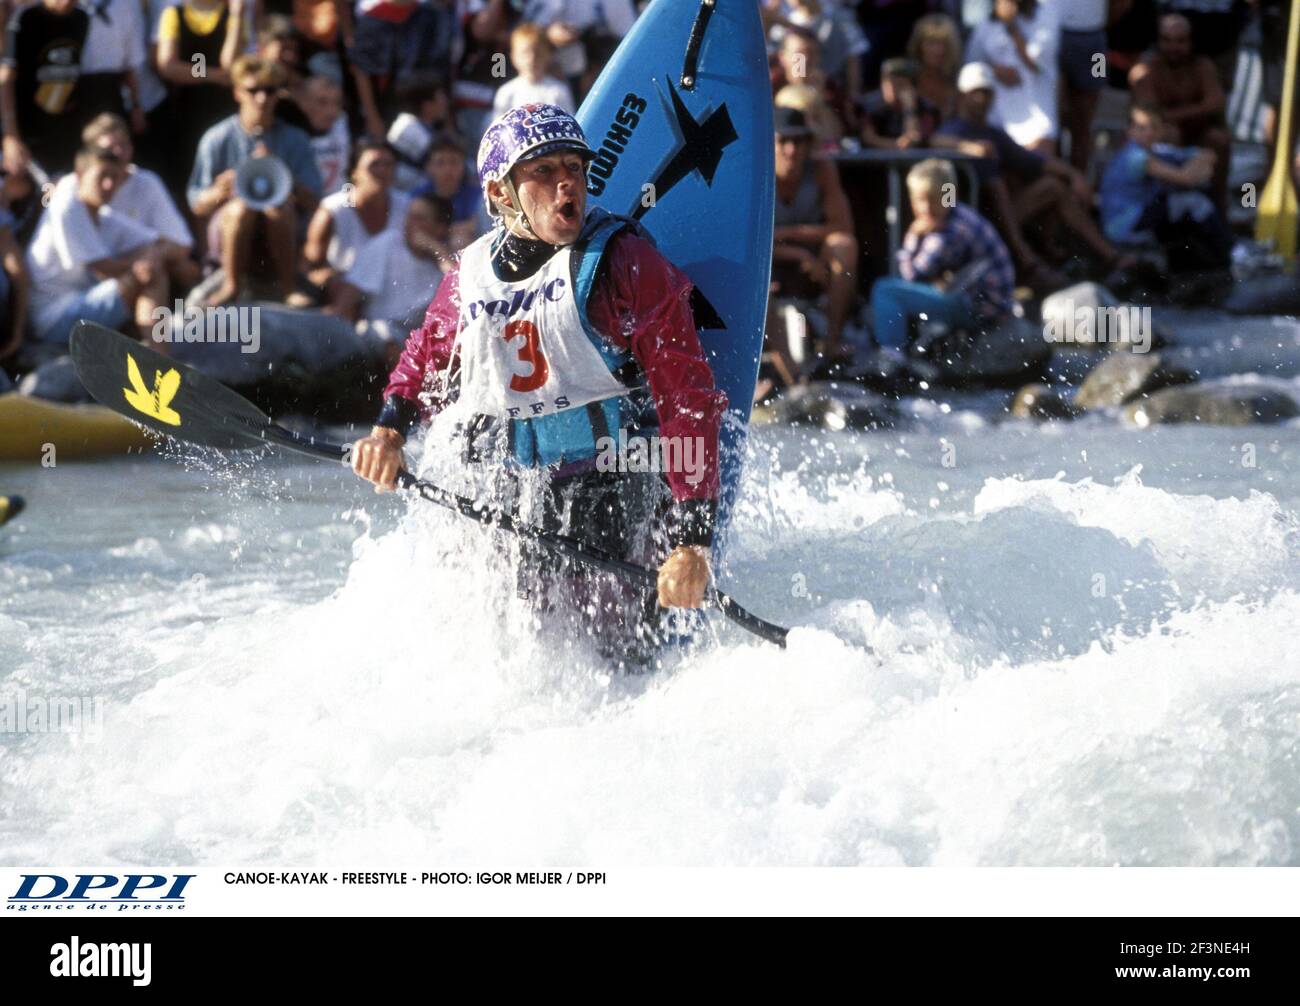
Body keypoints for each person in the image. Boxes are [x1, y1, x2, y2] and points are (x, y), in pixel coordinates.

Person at [349, 103, 726, 664]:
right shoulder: (468, 276)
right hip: (512, 492)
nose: (565, 183)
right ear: (502, 194)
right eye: (543, 172)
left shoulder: (626, 264)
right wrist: (388, 433)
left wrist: (692, 538)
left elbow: (686, 400)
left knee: (619, 663)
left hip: (619, 488)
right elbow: (425, 358)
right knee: (506, 657)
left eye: (573, 167)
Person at [933, 62, 1133, 285]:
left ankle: (1092, 256)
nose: (982, 99)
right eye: (976, 93)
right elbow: (932, 140)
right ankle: (1028, 262)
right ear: (963, 95)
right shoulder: (951, 130)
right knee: (999, 183)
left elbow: (1034, 162)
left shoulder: (992, 133)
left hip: (1000, 216)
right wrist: (967, 147)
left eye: (986, 92)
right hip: (969, 220)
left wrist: (1074, 175)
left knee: (1052, 186)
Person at [188, 55, 323, 304]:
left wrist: (285, 177)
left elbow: (315, 201)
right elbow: (197, 204)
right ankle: (231, 286)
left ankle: (289, 288)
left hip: (280, 230)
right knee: (240, 210)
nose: (262, 98)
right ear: (237, 93)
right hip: (230, 230)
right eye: (253, 90)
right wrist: (220, 190)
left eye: (270, 91)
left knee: (278, 209)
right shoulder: (217, 138)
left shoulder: (295, 139)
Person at [25, 146, 181, 351]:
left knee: (150, 264)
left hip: (80, 304)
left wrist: (150, 256)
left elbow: (173, 245)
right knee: (149, 272)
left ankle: (156, 353)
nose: (109, 185)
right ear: (80, 175)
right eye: (102, 176)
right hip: (53, 320)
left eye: (115, 178)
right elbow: (102, 269)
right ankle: (160, 356)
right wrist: (144, 264)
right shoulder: (65, 205)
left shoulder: (102, 215)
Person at [869, 158, 1016, 351]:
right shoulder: (959, 213)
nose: (926, 208)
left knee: (886, 290)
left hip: (981, 309)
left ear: (948, 194)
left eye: (934, 199)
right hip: (985, 301)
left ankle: (892, 357)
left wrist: (912, 236)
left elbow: (912, 275)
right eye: (921, 199)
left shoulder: (950, 231)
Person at [49, 114, 199, 290]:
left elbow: (181, 243)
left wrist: (151, 257)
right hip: (81, 284)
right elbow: (99, 267)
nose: (118, 154)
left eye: (124, 145)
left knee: (181, 268)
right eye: (110, 148)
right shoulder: (71, 192)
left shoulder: (146, 183)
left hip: (137, 262)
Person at [1099, 103, 1232, 270]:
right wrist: (1196, 170)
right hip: (1123, 225)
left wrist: (1196, 168)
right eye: (1141, 127)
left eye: (1153, 127)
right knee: (1194, 201)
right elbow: (1186, 179)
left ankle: (1208, 260)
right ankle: (1230, 255)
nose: (1148, 133)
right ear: (1130, 131)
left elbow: (1207, 155)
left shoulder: (1156, 150)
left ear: (1162, 130)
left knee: (1188, 200)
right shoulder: (1136, 156)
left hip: (1139, 215)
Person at [771, 107, 858, 360]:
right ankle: (785, 368)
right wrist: (797, 254)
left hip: (815, 261)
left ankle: (831, 340)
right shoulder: (758, 173)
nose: (791, 150)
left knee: (844, 246)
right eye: (783, 141)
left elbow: (842, 227)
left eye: (798, 141)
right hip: (770, 262)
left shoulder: (821, 169)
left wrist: (789, 234)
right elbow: (748, 244)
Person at [1129, 12, 1229, 211]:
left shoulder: (1202, 66)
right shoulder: (1145, 69)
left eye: (1180, 41)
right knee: (1169, 134)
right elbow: (1150, 115)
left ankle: (1218, 208)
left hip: (1196, 134)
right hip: (1160, 137)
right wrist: (1195, 110)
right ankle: (1166, 211)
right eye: (1167, 40)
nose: (1173, 48)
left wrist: (1174, 115)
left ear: (1191, 41)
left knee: (1219, 139)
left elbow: (1216, 103)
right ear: (1158, 41)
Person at [329, 191, 449, 337]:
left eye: (419, 218)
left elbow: (457, 282)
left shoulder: (444, 261)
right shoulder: (388, 243)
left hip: (416, 339)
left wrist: (436, 249)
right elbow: (350, 293)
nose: (410, 223)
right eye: (409, 216)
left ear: (439, 228)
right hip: (376, 332)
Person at [0, 0, 92, 179]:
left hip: (64, 129)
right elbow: (6, 79)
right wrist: (11, 135)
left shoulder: (83, 18)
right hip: (28, 130)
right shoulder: (26, 18)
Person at [304, 138, 409, 292]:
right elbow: (308, 268)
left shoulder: (407, 207)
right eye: (374, 165)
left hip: (395, 291)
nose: (382, 171)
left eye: (389, 165)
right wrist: (326, 278)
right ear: (355, 172)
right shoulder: (333, 210)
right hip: (345, 295)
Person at [965, 0, 1062, 154]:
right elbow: (972, 65)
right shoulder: (985, 21)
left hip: (1038, 125)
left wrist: (1011, 25)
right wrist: (994, 71)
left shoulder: (1046, 13)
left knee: (1042, 173)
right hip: (996, 122)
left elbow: (1035, 61)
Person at [1058, 0, 1109, 172]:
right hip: (1055, 35)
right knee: (1054, 116)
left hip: (1096, 42)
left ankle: (1079, 182)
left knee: (1087, 119)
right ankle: (1056, 180)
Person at [492, 22, 576, 118]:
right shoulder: (506, 93)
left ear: (548, 55)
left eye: (538, 52)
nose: (531, 59)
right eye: (525, 53)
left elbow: (569, 122)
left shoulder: (559, 91)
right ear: (513, 56)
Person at [858, 57, 938, 149]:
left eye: (900, 84)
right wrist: (897, 145)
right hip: (873, 161)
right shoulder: (870, 106)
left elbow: (914, 139)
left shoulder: (926, 109)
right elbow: (869, 139)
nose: (893, 90)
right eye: (890, 84)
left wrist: (910, 109)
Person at [906, 12, 963, 122]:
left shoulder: (958, 83)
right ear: (919, 46)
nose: (939, 50)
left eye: (944, 43)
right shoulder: (909, 81)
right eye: (931, 43)